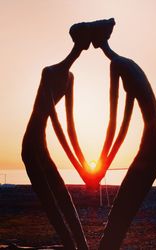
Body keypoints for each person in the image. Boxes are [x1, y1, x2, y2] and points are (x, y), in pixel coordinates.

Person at [90, 18, 156, 249]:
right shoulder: (129, 63)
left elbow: (115, 124)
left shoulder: (117, 66)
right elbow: (125, 120)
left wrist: (102, 165)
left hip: (151, 146)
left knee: (122, 206)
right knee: (125, 206)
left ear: (96, 39)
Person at [21, 22, 91, 250]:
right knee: (52, 203)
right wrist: (80, 168)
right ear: (77, 41)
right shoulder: (48, 72)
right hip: (31, 145)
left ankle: (81, 246)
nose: (87, 44)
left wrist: (84, 166)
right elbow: (56, 122)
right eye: (84, 39)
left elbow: (70, 127)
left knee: (64, 196)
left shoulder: (71, 78)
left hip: (42, 145)